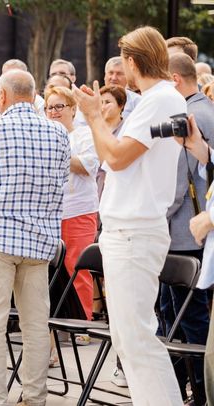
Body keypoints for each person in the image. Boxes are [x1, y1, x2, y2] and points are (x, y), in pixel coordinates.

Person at [72, 26, 187, 405]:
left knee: (135, 337)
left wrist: (93, 117)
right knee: (129, 337)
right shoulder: (161, 100)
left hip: (134, 232)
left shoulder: (157, 100)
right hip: (130, 230)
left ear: (132, 62)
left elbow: (117, 158)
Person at [0, 69, 70, 406]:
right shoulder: (58, 133)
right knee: (36, 325)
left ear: (2, 96)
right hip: (40, 242)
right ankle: (35, 396)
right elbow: (63, 177)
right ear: (34, 95)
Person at [163, 52, 213, 402]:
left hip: (186, 232)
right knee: (177, 315)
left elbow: (181, 182)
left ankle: (195, 389)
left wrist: (159, 214)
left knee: (186, 316)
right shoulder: (198, 111)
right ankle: (186, 387)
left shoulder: (197, 114)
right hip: (187, 231)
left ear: (174, 79)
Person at [44, 86, 98, 322]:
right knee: (52, 270)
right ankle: (58, 319)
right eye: (49, 107)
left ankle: (81, 322)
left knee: (77, 267)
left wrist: (56, 153)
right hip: (50, 212)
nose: (54, 112)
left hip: (78, 210)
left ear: (73, 109)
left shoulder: (85, 135)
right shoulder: (43, 134)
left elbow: (87, 166)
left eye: (59, 106)